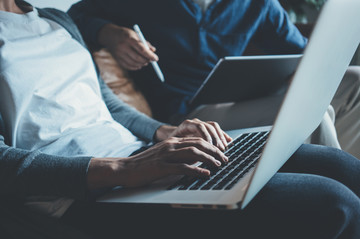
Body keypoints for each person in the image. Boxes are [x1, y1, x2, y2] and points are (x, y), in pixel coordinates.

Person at [1, 1, 360, 239]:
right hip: (84, 187)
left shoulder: (54, 19)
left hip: (139, 153)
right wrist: (120, 170)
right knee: (333, 203)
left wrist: (167, 133)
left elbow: (106, 103)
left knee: (339, 165)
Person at [68, 0, 360, 158]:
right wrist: (109, 33)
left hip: (247, 95)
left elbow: (300, 53)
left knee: (355, 80)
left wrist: (301, 72)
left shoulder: (256, 4)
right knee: (313, 113)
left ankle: (348, 164)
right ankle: (342, 189)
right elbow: (75, 14)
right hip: (191, 111)